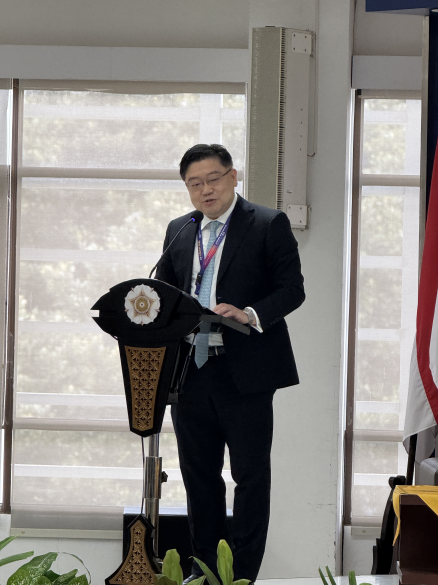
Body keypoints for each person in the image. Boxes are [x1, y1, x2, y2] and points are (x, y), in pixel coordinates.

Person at [156, 144, 305, 583]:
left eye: (213, 179)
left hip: (244, 371)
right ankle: (204, 571)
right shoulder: (179, 230)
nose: (206, 190)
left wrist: (250, 314)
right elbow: (165, 290)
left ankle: (241, 576)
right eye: (194, 183)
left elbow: (292, 289)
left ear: (233, 176)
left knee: (250, 478)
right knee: (199, 477)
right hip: (190, 371)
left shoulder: (267, 224)